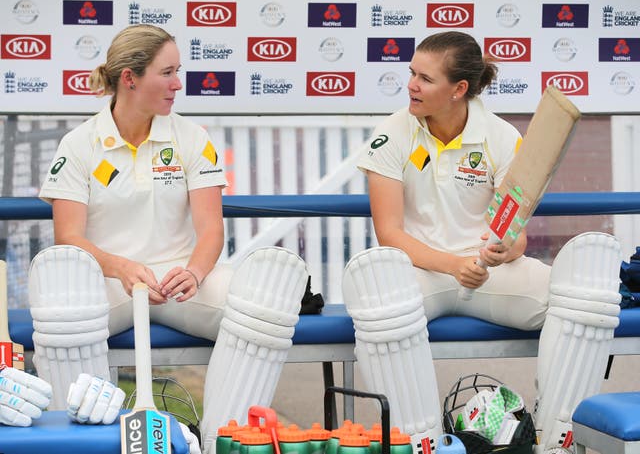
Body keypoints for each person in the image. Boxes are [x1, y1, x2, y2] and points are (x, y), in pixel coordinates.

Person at [27, 24, 308, 454]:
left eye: (179, 71)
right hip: (109, 284)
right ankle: (80, 446)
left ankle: (223, 443)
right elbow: (68, 239)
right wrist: (119, 266)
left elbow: (212, 229)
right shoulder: (80, 143)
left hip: (181, 283)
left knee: (266, 300)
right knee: (64, 297)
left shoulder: (191, 138)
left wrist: (194, 272)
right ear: (130, 78)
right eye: (168, 72)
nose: (179, 84)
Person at [342, 31, 622, 454]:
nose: (412, 85)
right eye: (412, 73)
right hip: (421, 275)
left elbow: (515, 234)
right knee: (379, 295)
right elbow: (390, 235)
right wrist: (454, 265)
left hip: (488, 274)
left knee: (584, 299)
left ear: (458, 90)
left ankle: (554, 438)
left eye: (425, 78)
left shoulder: (502, 137)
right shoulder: (391, 134)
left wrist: (505, 249)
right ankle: (416, 443)